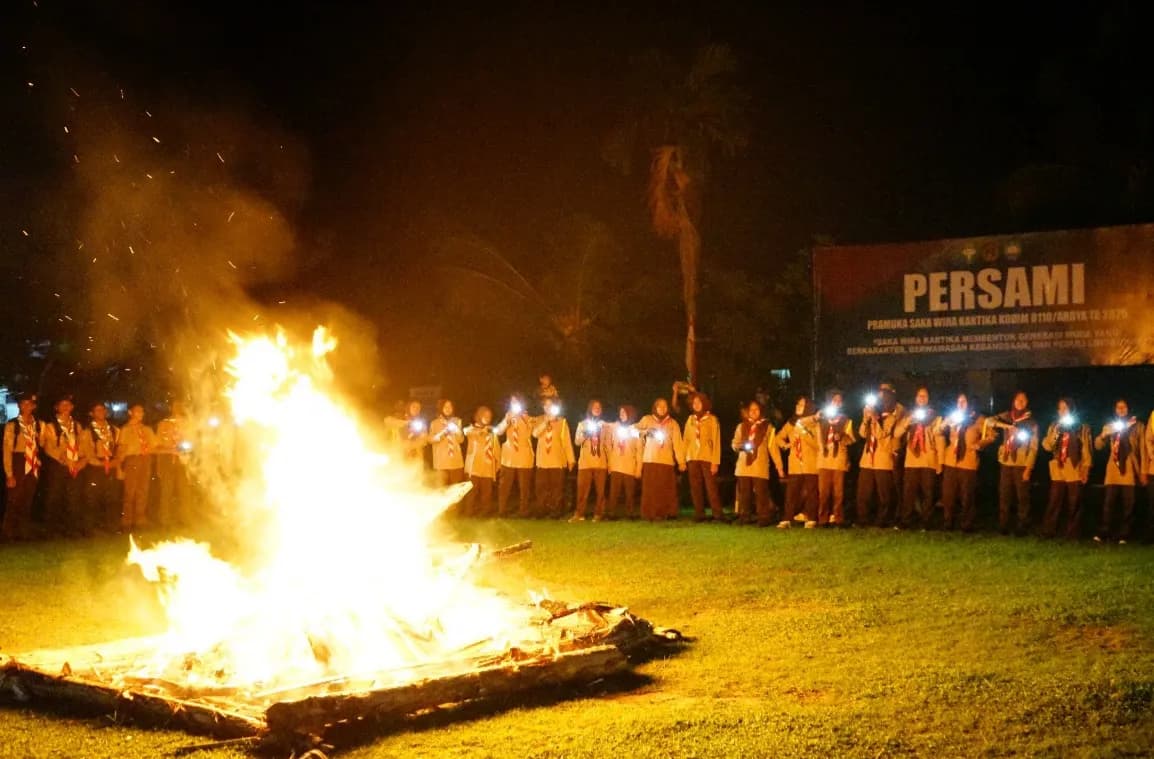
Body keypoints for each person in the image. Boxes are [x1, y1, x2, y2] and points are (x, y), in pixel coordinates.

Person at [1093, 399, 1146, 544]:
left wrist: (1143, 471)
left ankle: (1125, 534)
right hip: (1113, 469)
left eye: (1124, 407)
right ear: (1115, 410)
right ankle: (1104, 532)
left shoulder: (1138, 425)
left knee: (1128, 504)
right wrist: (1103, 435)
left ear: (1129, 408)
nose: (1121, 409)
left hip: (1129, 467)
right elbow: (1097, 446)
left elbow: (1142, 448)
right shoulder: (1110, 426)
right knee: (1108, 502)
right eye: (1118, 407)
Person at [938, 394, 992, 531]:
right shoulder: (953, 417)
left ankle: (967, 523)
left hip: (968, 461)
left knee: (967, 495)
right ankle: (948, 521)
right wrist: (945, 424)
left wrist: (979, 444)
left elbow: (991, 435)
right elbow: (938, 431)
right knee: (948, 494)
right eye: (958, 401)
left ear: (970, 403)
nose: (961, 403)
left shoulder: (978, 419)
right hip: (951, 460)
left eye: (964, 401)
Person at [1040, 398, 1092, 539]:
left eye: (1066, 408)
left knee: (1074, 501)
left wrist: (1086, 468)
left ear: (1072, 410)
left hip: (1074, 465)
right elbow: (1047, 446)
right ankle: (1049, 530)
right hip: (1058, 466)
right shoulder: (1054, 426)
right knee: (1054, 499)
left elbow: (1087, 449)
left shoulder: (1081, 427)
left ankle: (1073, 532)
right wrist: (1055, 434)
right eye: (1060, 408)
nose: (1063, 411)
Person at [989, 391, 1039, 536]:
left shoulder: (1031, 422)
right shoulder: (1007, 416)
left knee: (1022, 497)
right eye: (1018, 399)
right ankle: (1003, 524)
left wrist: (1028, 468)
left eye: (1023, 400)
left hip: (1021, 463)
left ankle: (1022, 525)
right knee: (1004, 495)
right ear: (1014, 401)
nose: (1020, 402)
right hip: (1006, 461)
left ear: (1027, 402)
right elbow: (989, 421)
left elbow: (1034, 447)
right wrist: (1005, 427)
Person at [856, 384, 904, 527]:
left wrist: (876, 419)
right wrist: (866, 419)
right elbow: (862, 433)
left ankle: (883, 519)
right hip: (867, 459)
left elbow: (881, 434)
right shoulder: (872, 413)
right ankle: (863, 519)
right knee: (863, 492)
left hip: (883, 459)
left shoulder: (891, 416)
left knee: (884, 494)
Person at [894, 386, 941, 529]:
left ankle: (926, 522)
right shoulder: (908, 415)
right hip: (912, 460)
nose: (922, 398)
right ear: (915, 398)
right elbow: (896, 434)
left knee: (928, 492)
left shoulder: (935, 416)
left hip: (928, 459)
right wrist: (909, 421)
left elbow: (938, 438)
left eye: (925, 396)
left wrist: (940, 462)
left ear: (928, 399)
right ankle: (906, 520)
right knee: (909, 492)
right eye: (920, 396)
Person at [732, 399, 784, 526]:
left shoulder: (767, 427)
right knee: (745, 493)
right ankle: (745, 516)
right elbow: (734, 443)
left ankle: (763, 517)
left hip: (760, 465)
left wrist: (779, 466)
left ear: (761, 411)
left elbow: (773, 447)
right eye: (751, 410)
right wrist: (739, 447)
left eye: (756, 409)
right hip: (743, 464)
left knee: (761, 493)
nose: (753, 412)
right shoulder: (741, 426)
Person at [41, 395, 86, 536]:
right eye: (62, 404)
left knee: (73, 497)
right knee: (54, 496)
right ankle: (51, 529)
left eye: (68, 404)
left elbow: (83, 446)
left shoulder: (77, 426)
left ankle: (71, 528)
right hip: (58, 465)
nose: (66, 407)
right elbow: (49, 447)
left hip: (75, 465)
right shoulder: (50, 426)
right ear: (57, 407)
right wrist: (65, 460)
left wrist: (81, 461)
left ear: (72, 407)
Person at [637, 398, 686, 521]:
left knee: (665, 489)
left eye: (665, 406)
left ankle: (666, 512)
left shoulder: (672, 423)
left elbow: (678, 443)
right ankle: (650, 513)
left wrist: (681, 461)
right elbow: (633, 431)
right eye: (659, 406)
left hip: (666, 461)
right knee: (650, 489)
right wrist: (645, 431)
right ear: (655, 407)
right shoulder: (647, 419)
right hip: (650, 459)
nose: (662, 408)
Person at [2, 393, 42, 541]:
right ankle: (8, 533)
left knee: (28, 498)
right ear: (19, 405)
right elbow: (7, 450)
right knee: (14, 499)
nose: (26, 406)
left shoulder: (37, 424)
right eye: (23, 404)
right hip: (18, 462)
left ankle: (23, 531)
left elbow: (41, 444)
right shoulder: (13, 425)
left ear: (34, 406)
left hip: (32, 463)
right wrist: (9, 474)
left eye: (29, 404)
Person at [778, 396, 820, 528]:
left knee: (811, 492)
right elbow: (778, 438)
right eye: (797, 404)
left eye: (801, 405)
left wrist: (803, 432)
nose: (797, 406)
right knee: (791, 492)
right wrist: (786, 445)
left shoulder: (814, 424)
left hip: (810, 463)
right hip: (795, 463)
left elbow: (817, 445)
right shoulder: (791, 422)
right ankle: (787, 518)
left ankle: (811, 518)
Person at [815, 391, 855, 527]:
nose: (837, 402)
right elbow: (812, 433)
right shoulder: (821, 419)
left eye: (839, 400)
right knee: (823, 492)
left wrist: (842, 438)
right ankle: (823, 519)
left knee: (838, 493)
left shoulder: (846, 420)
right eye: (834, 400)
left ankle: (838, 518)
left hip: (838, 459)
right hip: (824, 459)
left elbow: (852, 439)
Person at [684, 392, 724, 522]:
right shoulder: (690, 419)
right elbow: (686, 440)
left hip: (707, 457)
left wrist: (715, 462)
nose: (696, 405)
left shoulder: (712, 419)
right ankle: (699, 513)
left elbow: (716, 440)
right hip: (692, 457)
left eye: (699, 402)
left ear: (704, 403)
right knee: (695, 487)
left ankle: (717, 514)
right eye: (694, 403)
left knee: (711, 486)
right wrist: (683, 459)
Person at [116, 403, 156, 532]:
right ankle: (126, 521)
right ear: (130, 413)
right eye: (137, 411)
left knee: (143, 490)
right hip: (132, 460)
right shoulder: (125, 429)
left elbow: (154, 445)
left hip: (145, 459)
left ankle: (140, 519)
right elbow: (121, 450)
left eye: (142, 412)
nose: (140, 414)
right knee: (130, 491)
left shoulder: (147, 429)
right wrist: (119, 467)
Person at [154, 400, 193, 528]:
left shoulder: (188, 424)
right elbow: (157, 445)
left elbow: (192, 443)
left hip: (183, 460)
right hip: (167, 460)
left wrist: (184, 451)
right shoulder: (164, 424)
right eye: (175, 406)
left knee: (185, 492)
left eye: (180, 406)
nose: (178, 408)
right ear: (171, 408)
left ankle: (186, 519)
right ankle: (165, 521)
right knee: (167, 491)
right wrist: (170, 450)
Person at [84, 402, 122, 533]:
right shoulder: (88, 431)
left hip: (111, 464)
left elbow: (120, 448)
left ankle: (112, 526)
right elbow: (87, 451)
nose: (101, 412)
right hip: (96, 466)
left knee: (112, 497)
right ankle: (91, 527)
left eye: (103, 410)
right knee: (93, 497)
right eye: (97, 410)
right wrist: (99, 463)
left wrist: (116, 461)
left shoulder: (114, 430)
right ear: (92, 413)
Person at [533, 400, 575, 517]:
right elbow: (535, 434)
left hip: (557, 460)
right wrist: (546, 422)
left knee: (557, 488)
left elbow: (566, 442)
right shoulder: (539, 420)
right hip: (542, 460)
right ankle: (542, 509)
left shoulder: (562, 422)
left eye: (551, 405)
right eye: (546, 405)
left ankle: (556, 510)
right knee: (541, 487)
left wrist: (570, 459)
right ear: (543, 407)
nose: (548, 407)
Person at [496, 395, 535, 517]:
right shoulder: (508, 416)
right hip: (509, 457)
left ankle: (524, 510)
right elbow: (498, 431)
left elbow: (533, 433)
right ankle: (502, 510)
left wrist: (526, 420)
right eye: (512, 402)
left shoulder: (527, 417)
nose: (514, 404)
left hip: (524, 457)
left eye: (517, 402)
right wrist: (507, 420)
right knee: (505, 486)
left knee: (524, 487)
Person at [572, 400, 609, 522]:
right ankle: (579, 513)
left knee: (600, 491)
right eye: (594, 407)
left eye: (599, 407)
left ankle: (599, 514)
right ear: (590, 408)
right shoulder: (582, 424)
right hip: (585, 462)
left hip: (600, 461)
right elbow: (577, 442)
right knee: (582, 490)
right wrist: (585, 434)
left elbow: (608, 444)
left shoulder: (604, 425)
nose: (597, 408)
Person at [462, 406, 500, 517]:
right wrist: (481, 431)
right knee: (471, 492)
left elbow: (496, 448)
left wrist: (498, 464)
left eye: (489, 416)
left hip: (487, 467)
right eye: (484, 416)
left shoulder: (491, 433)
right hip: (474, 468)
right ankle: (469, 512)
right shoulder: (472, 429)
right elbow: (468, 432)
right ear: (479, 416)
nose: (487, 418)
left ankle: (485, 512)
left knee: (486, 492)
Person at [607, 405, 642, 519]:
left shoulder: (634, 430)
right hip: (616, 464)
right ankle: (611, 513)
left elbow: (639, 450)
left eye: (624, 412)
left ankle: (630, 513)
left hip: (629, 465)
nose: (621, 414)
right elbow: (609, 445)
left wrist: (638, 468)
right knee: (614, 491)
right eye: (620, 412)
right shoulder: (616, 428)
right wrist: (610, 463)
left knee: (629, 492)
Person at [428, 399, 466, 487]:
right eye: (445, 407)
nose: (448, 409)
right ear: (441, 408)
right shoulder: (434, 423)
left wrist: (457, 430)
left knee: (456, 489)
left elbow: (461, 440)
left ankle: (457, 502)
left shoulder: (457, 421)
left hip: (455, 461)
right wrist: (443, 433)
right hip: (441, 461)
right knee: (442, 489)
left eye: (450, 407)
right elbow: (430, 440)